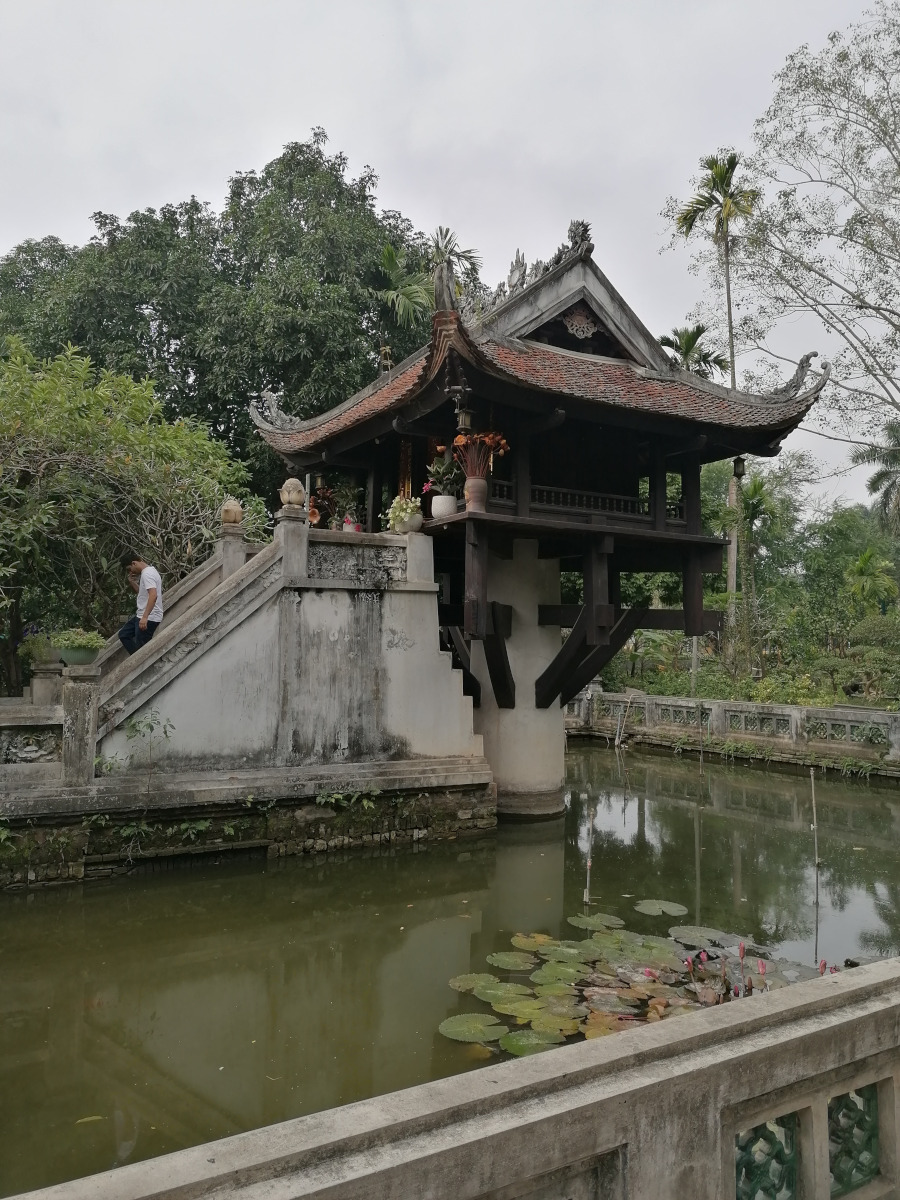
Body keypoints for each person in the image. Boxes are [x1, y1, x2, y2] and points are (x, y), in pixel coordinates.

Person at [118, 552, 164, 655]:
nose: (130, 572)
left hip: (149, 617)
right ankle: (136, 658)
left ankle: (139, 663)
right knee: (124, 634)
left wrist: (145, 617)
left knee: (142, 651)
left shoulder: (147, 574)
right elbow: (144, 594)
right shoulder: (148, 572)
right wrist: (132, 582)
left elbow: (153, 595)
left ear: (134, 563)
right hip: (142, 615)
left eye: (129, 569)